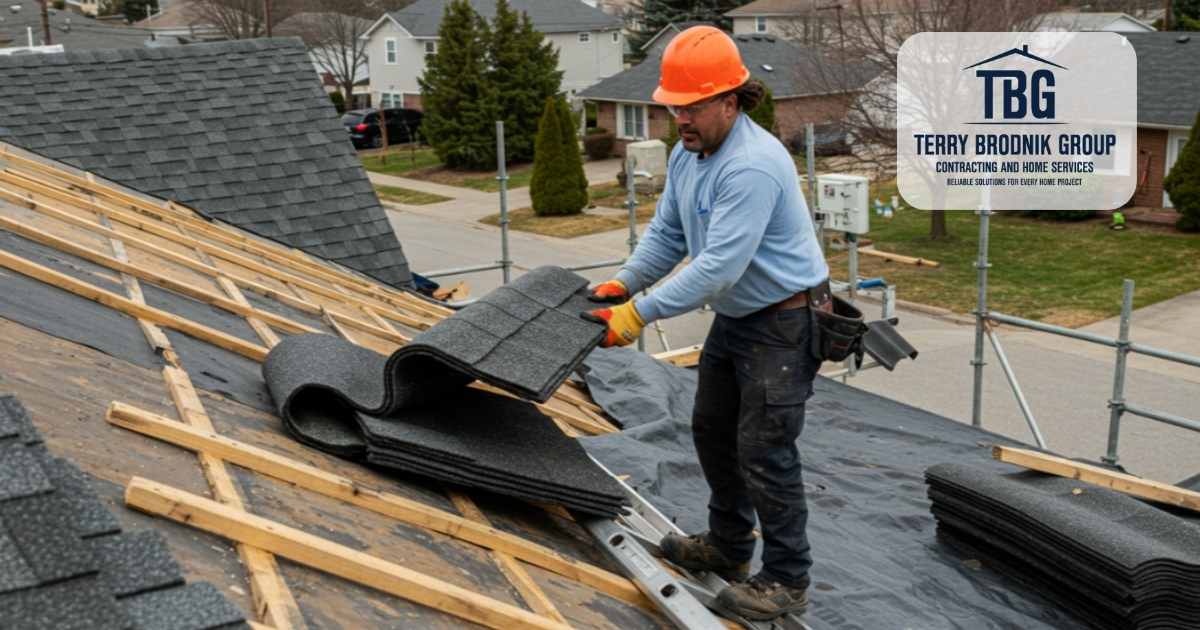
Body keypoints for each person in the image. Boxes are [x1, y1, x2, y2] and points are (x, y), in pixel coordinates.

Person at [583, 26, 830, 621]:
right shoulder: (688, 154)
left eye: (691, 107)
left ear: (729, 101)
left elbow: (719, 266)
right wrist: (625, 282)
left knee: (765, 449)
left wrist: (637, 314)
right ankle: (729, 547)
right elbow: (669, 235)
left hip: (785, 322)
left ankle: (787, 579)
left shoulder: (752, 166)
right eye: (674, 109)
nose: (680, 120)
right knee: (712, 429)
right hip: (741, 317)